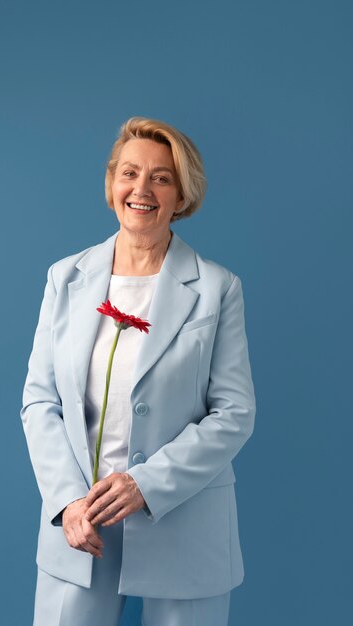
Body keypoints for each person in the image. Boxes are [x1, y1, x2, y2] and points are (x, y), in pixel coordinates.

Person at [20, 116, 256, 626]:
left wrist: (145, 484)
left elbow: (234, 413)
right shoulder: (65, 279)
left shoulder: (218, 288)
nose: (141, 189)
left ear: (181, 196)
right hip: (81, 525)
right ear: (111, 185)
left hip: (184, 521)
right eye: (129, 173)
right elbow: (40, 401)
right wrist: (67, 502)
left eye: (161, 178)